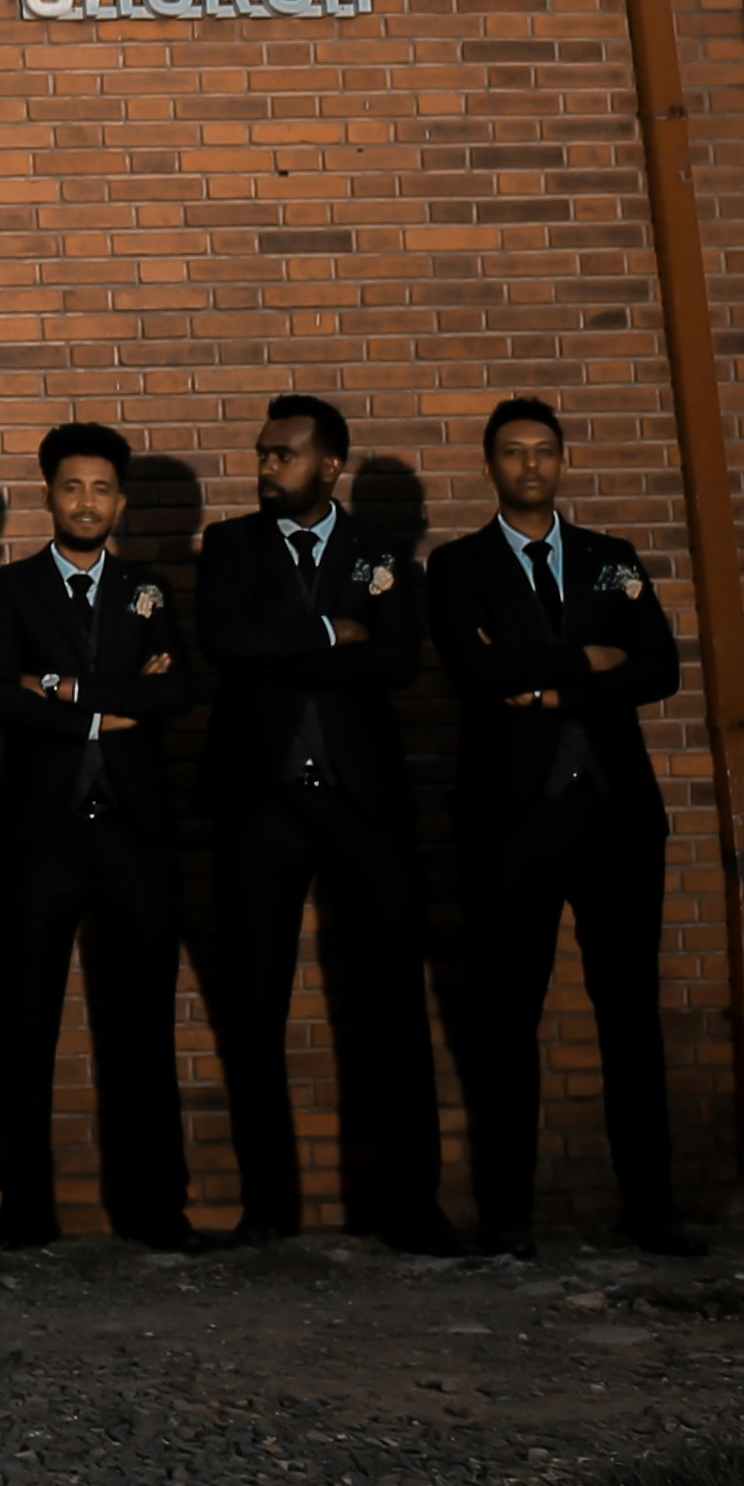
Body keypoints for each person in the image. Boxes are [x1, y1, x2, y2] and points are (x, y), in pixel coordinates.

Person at [424, 398, 706, 1258]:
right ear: (490, 465)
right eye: (512, 453)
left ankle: (649, 1208)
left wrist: (547, 690)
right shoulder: (457, 566)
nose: (530, 466)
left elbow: (658, 664)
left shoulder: (608, 561)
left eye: (543, 451)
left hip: (615, 817)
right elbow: (474, 669)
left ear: (562, 459)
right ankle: (509, 1216)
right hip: (510, 821)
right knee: (507, 1017)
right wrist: (593, 658)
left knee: (630, 1014)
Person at [201, 394, 451, 1250]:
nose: (266, 467)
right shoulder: (229, 545)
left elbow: (398, 660)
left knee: (390, 1007)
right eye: (263, 454)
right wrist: (325, 630)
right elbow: (225, 644)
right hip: (258, 804)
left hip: (362, 804)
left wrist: (299, 647)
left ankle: (410, 1209)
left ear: (330, 466)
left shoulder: (381, 553)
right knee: (254, 1005)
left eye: (284, 455)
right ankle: (269, 1211)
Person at [0, 426, 207, 1248]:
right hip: (42, 836)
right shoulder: (12, 588)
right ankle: (24, 1208)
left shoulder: (147, 588)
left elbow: (178, 689)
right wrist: (112, 703)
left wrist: (64, 688)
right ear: (48, 494)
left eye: (101, 489)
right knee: (27, 1026)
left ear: (121, 501)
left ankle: (156, 1208)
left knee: (143, 1027)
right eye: (72, 487)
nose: (86, 503)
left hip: (136, 837)